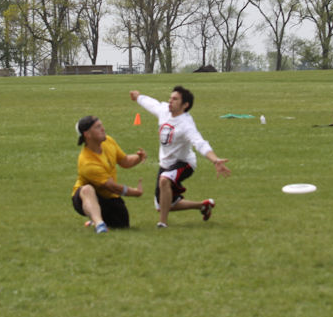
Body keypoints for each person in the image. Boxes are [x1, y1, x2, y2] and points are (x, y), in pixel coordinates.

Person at [130, 86, 231, 228]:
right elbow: (152, 104)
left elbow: (199, 143)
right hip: (166, 164)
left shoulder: (186, 124)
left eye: (175, 99)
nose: (170, 101)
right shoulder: (164, 111)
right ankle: (203, 206)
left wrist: (215, 159)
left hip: (184, 163)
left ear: (185, 105)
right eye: (170, 98)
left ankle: (162, 223)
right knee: (162, 205)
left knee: (164, 180)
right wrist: (138, 97)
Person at [71, 115, 146, 233]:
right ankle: (99, 224)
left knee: (122, 224)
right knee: (87, 189)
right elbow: (112, 187)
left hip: (107, 196)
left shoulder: (108, 141)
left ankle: (93, 220)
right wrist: (134, 192)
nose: (103, 129)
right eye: (98, 127)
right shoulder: (87, 162)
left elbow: (125, 161)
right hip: (83, 197)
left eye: (101, 125)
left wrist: (138, 157)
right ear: (87, 134)